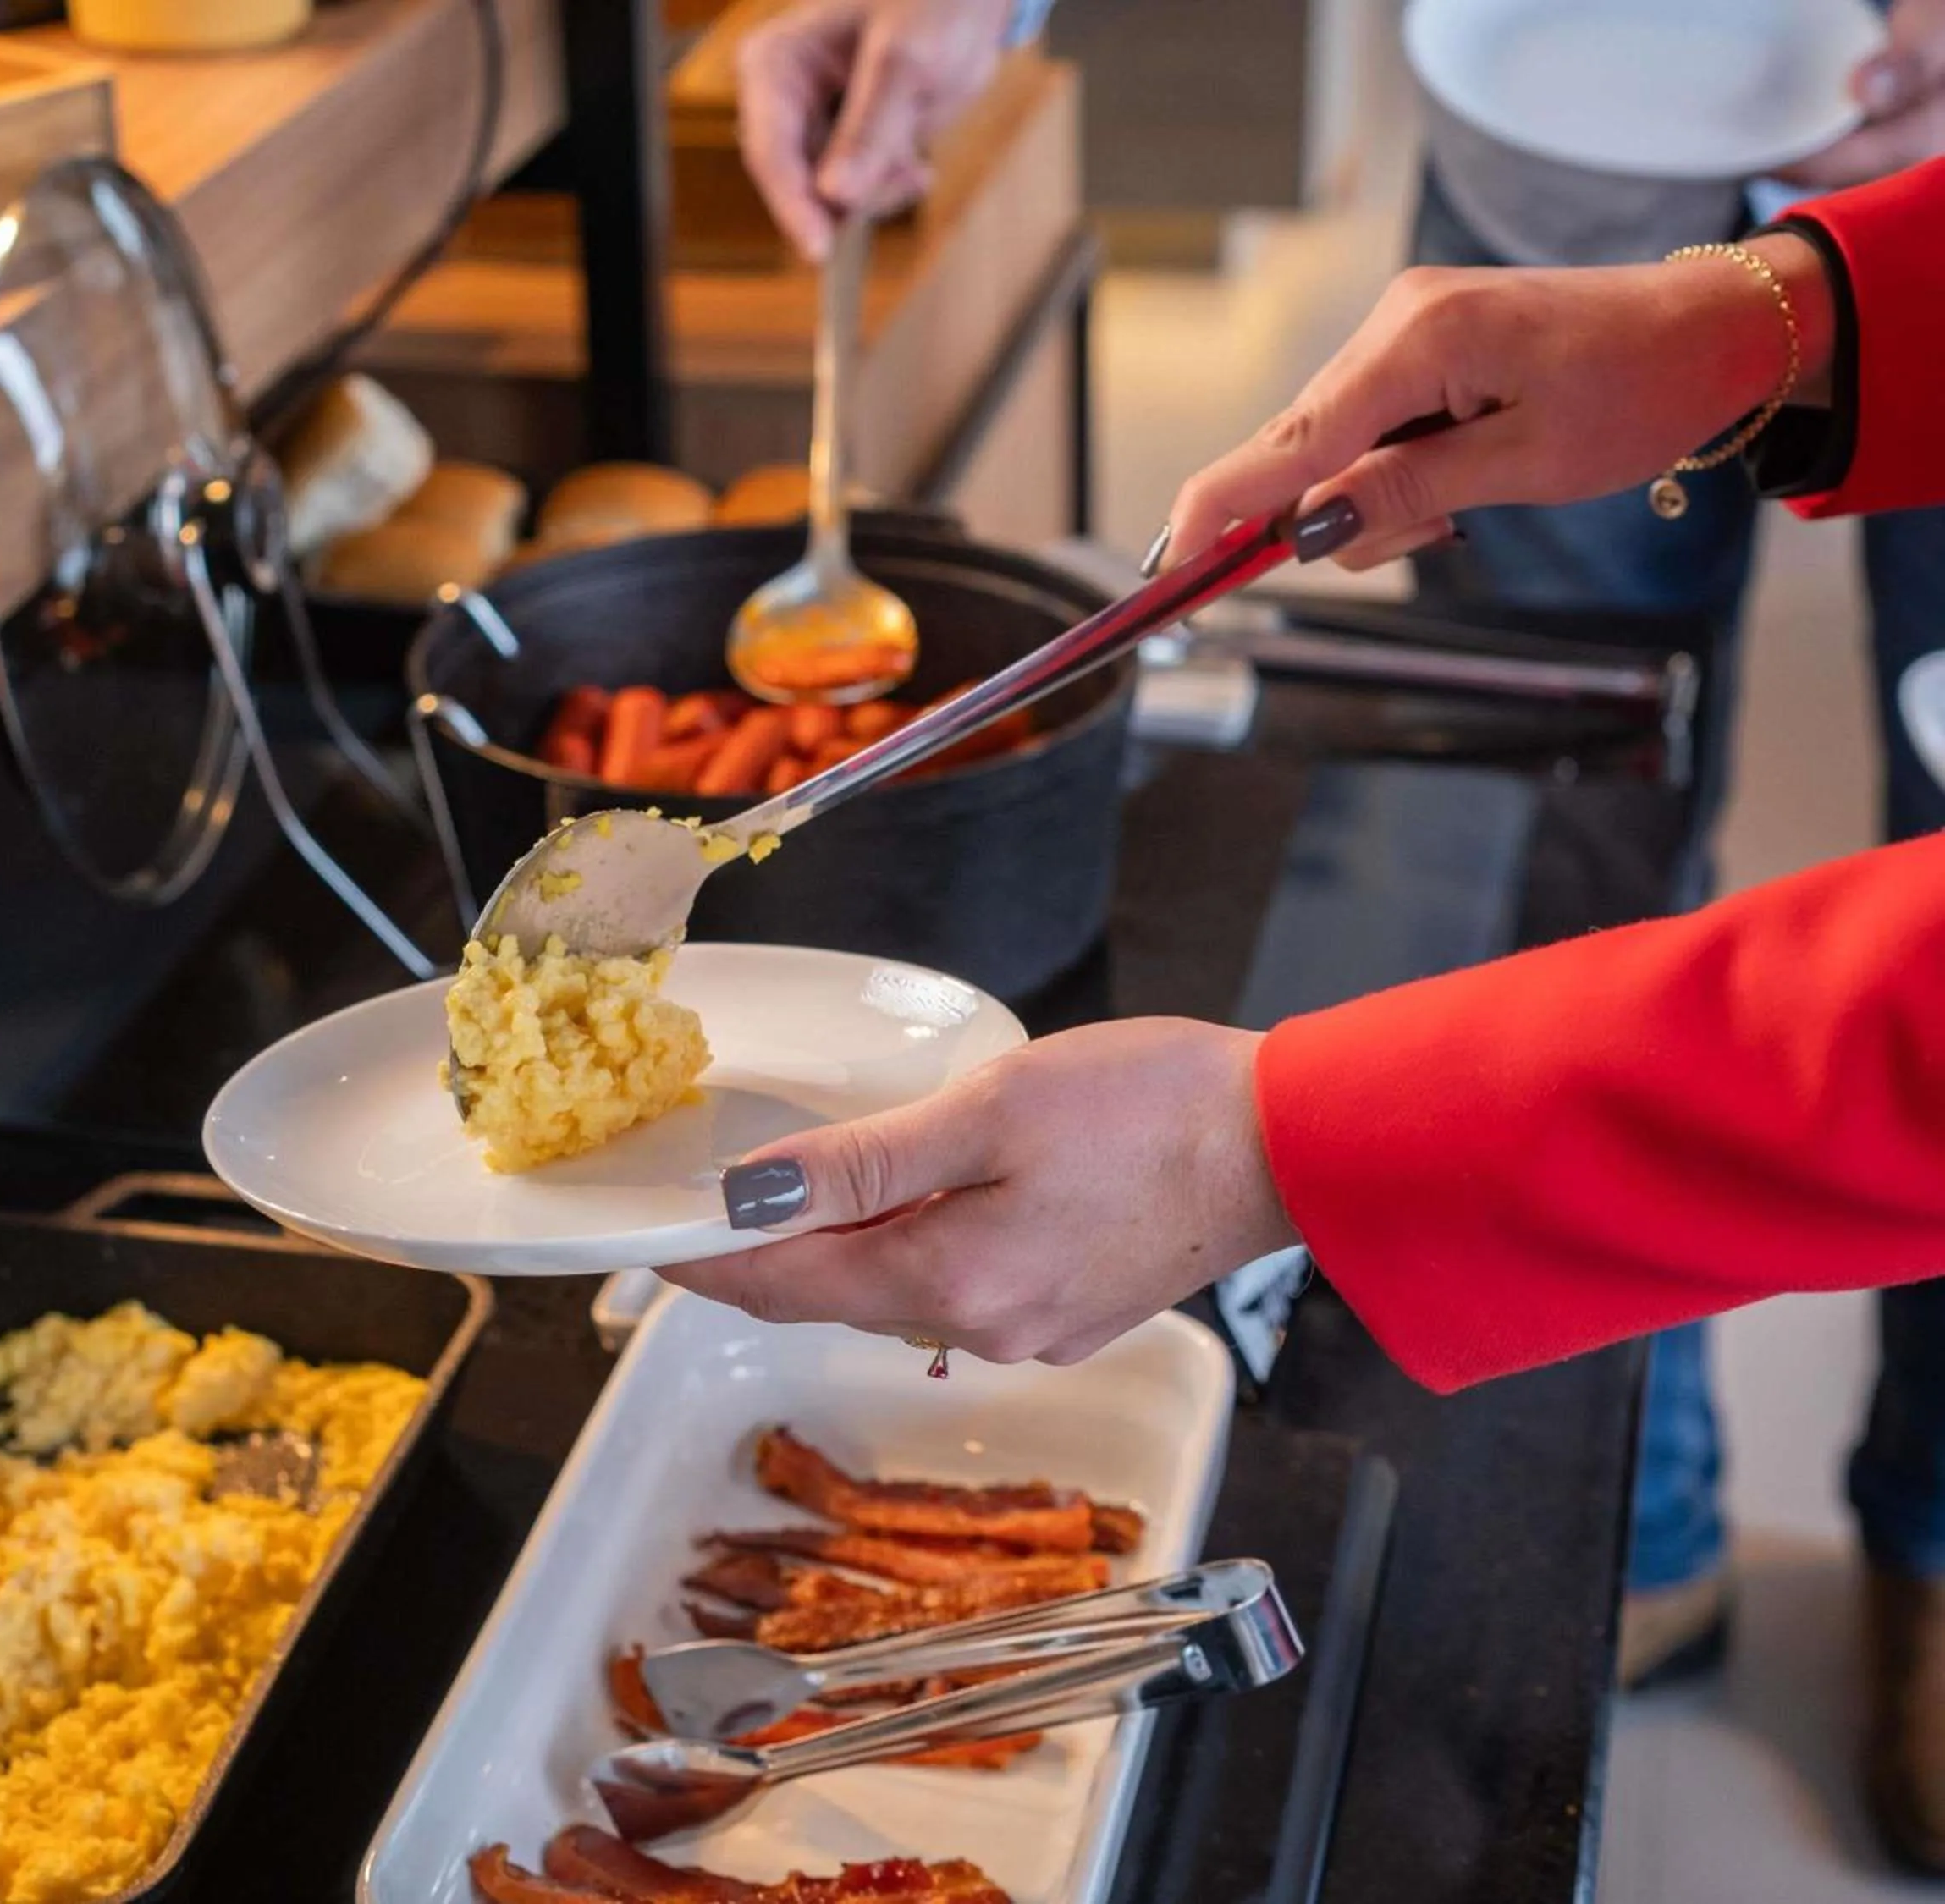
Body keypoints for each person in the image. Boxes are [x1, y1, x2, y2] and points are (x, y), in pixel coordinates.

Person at [711, 13, 1945, 1861]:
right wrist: (1772, 321)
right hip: (1594, 129)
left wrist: (1284, 1140)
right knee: (1600, 837)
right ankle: (1656, 1520)